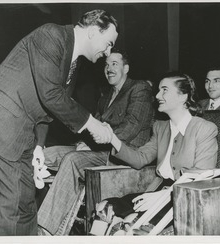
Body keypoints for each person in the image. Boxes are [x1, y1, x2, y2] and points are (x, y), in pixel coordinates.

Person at [0, 9, 119, 236]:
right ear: (93, 31)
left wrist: (39, 147)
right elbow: (50, 94)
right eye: (109, 43)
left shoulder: (73, 61)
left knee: (25, 206)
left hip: (20, 134)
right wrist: (93, 124)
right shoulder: (51, 35)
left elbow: (47, 109)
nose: (108, 51)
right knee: (5, 211)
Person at [37, 49, 154, 235]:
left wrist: (92, 145)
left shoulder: (139, 88)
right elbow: (95, 125)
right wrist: (87, 142)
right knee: (45, 156)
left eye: (114, 64)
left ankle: (45, 230)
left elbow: (130, 127)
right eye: (106, 65)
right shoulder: (106, 95)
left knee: (72, 159)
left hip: (121, 156)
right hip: (99, 150)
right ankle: (30, 214)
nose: (108, 68)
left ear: (126, 68)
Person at [92, 72, 218, 235]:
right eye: (159, 90)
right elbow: (140, 159)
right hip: (156, 191)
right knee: (104, 208)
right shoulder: (160, 127)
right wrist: (112, 139)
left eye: (164, 90)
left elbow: (202, 180)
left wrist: (164, 195)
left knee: (130, 223)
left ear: (183, 96)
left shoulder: (204, 129)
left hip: (183, 199)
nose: (158, 95)